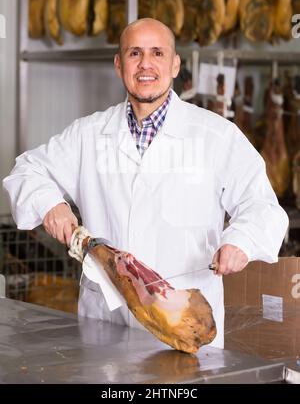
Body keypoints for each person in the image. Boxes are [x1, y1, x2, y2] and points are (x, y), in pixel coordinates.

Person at [3, 18, 288, 348]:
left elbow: (262, 206)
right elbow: (26, 171)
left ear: (175, 64)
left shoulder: (216, 135)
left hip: (184, 320)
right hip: (105, 323)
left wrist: (241, 241)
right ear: (118, 64)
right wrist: (50, 203)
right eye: (134, 53)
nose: (146, 64)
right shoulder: (88, 134)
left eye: (157, 53)